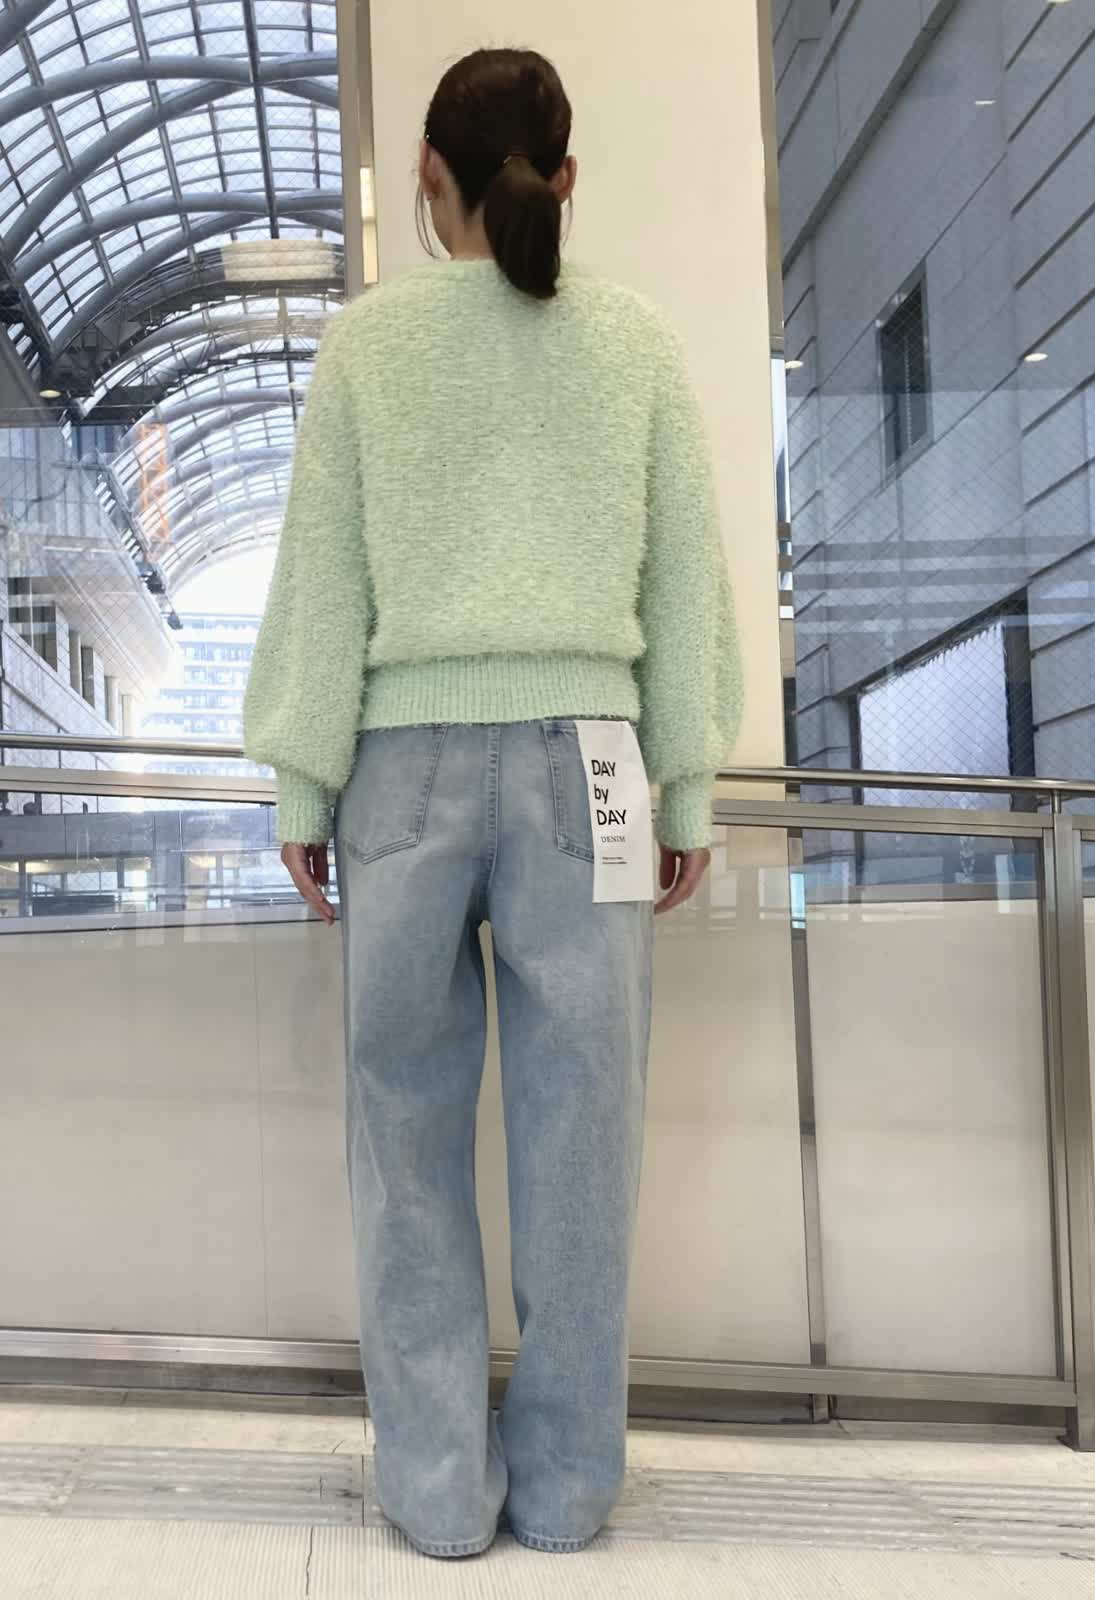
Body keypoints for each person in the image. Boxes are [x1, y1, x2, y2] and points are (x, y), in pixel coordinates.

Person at [243, 46, 742, 1561]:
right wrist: (685, 784)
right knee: (583, 1139)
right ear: (565, 178)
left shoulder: (366, 349)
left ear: (429, 181)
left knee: (402, 1139)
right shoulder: (634, 344)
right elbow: (685, 578)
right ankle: (572, 1489)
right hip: (591, 766)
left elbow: (324, 579)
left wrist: (304, 781)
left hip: (399, 766)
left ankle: (441, 1493)